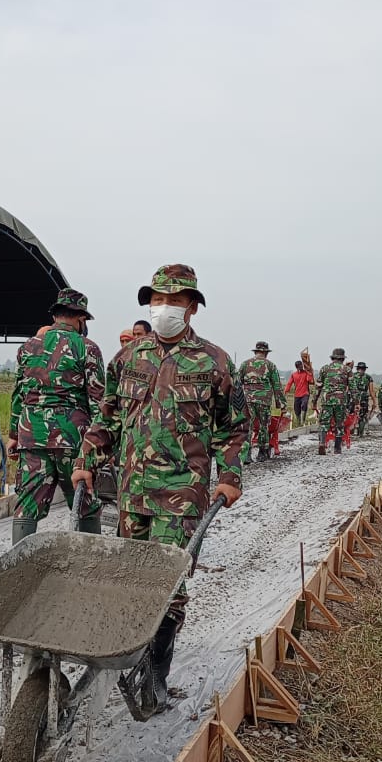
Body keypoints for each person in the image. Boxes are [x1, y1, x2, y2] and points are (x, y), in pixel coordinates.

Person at [72, 264, 245, 711]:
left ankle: (155, 679)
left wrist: (229, 477)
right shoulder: (129, 358)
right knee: (130, 579)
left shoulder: (214, 361)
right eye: (157, 299)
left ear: (191, 306)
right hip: (132, 492)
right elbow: (108, 416)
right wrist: (86, 460)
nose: (163, 307)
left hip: (182, 492)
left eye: (174, 299)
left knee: (168, 587)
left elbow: (232, 429)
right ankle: (127, 659)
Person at [7, 289, 104, 544]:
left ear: (55, 315)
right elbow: (97, 400)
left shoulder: (27, 347)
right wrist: (101, 443)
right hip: (73, 437)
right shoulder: (87, 348)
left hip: (31, 435)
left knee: (27, 502)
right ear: (80, 318)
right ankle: (90, 560)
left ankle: (17, 564)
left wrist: (13, 435)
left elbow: (19, 394)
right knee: (84, 500)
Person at [239, 341, 285, 461]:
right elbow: (276, 386)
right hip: (264, 400)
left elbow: (237, 384)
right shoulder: (270, 366)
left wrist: (236, 402)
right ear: (266, 353)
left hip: (247, 399)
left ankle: (247, 455)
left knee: (248, 425)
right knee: (264, 426)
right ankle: (262, 453)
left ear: (255, 351)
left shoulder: (245, 364)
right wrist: (281, 404)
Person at [312, 347, 351, 455]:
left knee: (324, 423)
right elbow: (353, 388)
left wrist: (314, 402)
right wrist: (356, 403)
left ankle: (322, 443)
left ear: (333, 358)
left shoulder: (325, 368)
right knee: (339, 424)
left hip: (327, 400)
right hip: (340, 401)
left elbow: (318, 387)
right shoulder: (347, 370)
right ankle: (337, 448)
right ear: (342, 359)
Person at [284, 359, 314, 424]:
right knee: (296, 409)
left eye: (301, 366)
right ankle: (298, 421)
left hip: (305, 393)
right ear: (296, 367)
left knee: (304, 404)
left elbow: (310, 380)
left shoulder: (306, 373)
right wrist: (286, 390)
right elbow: (289, 383)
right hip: (297, 394)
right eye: (299, 366)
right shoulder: (294, 374)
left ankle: (303, 421)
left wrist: (310, 373)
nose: (301, 367)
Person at [350, 361, 376, 437]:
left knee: (351, 414)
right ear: (365, 369)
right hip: (364, 398)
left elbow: (348, 388)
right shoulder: (368, 377)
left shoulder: (352, 376)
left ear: (357, 368)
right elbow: (371, 391)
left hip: (353, 398)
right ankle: (360, 433)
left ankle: (351, 432)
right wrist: (374, 402)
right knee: (363, 416)